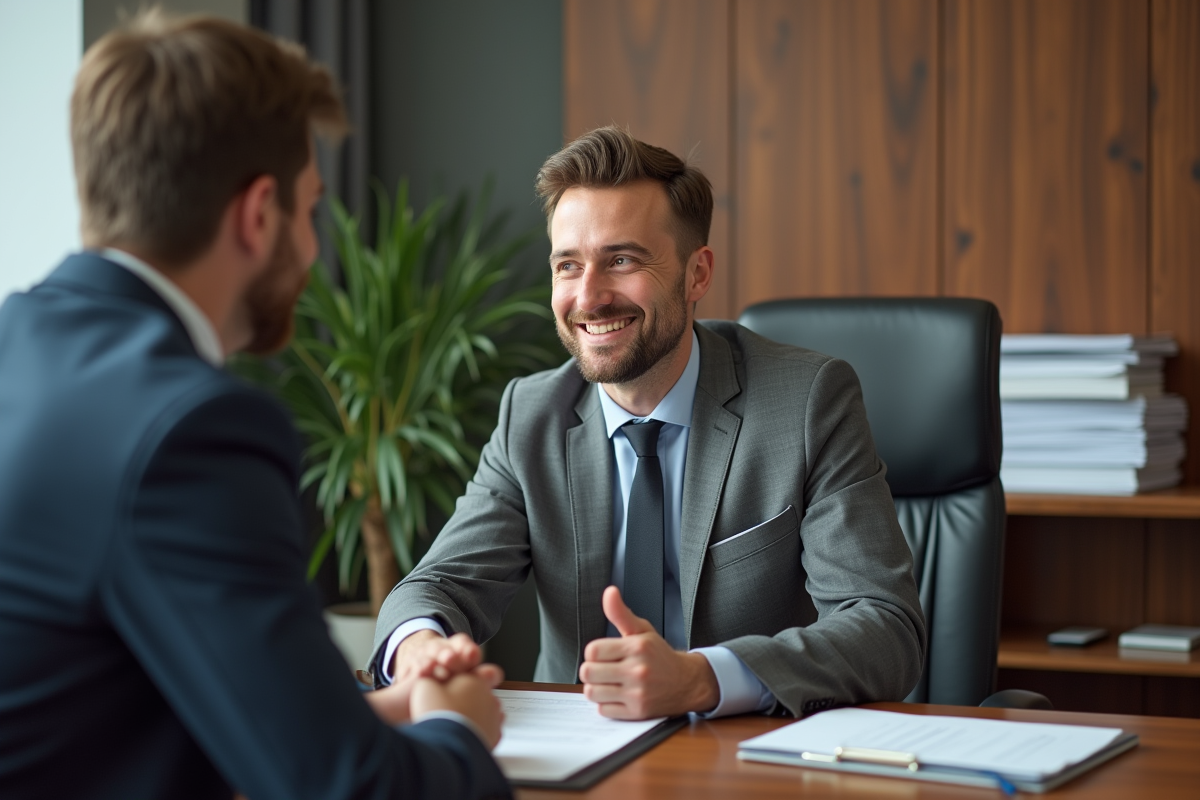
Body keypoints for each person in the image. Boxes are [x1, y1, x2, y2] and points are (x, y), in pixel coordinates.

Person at [0, 13, 510, 800]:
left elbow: (98, 709)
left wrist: (380, 711)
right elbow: (352, 791)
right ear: (258, 212)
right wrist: (458, 727)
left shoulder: (21, 350)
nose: (312, 248)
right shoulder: (186, 430)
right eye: (309, 210)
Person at [371, 126, 926, 721]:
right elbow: (439, 585)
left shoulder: (806, 403)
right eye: (568, 265)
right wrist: (419, 649)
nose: (589, 297)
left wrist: (702, 679)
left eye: (622, 260)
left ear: (697, 275)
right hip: (575, 758)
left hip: (745, 755)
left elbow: (885, 629)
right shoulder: (531, 415)